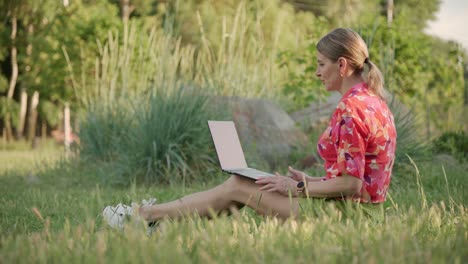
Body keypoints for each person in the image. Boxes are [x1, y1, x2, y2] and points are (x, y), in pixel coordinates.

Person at [102, 27, 397, 230]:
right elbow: (357, 178)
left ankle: (143, 217)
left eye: (322, 64)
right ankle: (153, 219)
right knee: (246, 183)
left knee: (238, 186)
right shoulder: (374, 102)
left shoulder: (350, 109)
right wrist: (312, 181)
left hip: (347, 218)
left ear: (343, 65)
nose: (318, 72)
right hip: (362, 213)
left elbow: (352, 186)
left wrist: (297, 187)